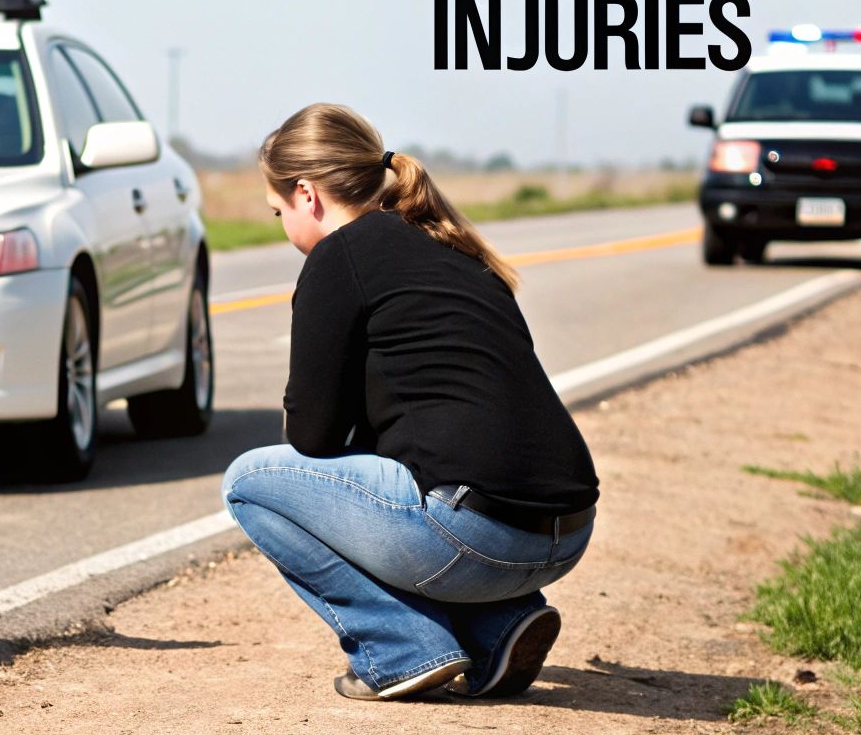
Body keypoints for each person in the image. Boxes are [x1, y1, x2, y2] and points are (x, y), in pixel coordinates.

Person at [222, 104, 599, 701]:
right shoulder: (448, 244)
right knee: (399, 477)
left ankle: (401, 649)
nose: (282, 225)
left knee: (250, 481)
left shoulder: (338, 255)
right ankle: (499, 625)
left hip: (475, 539)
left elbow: (312, 436)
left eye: (278, 211)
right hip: (567, 533)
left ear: (306, 193)